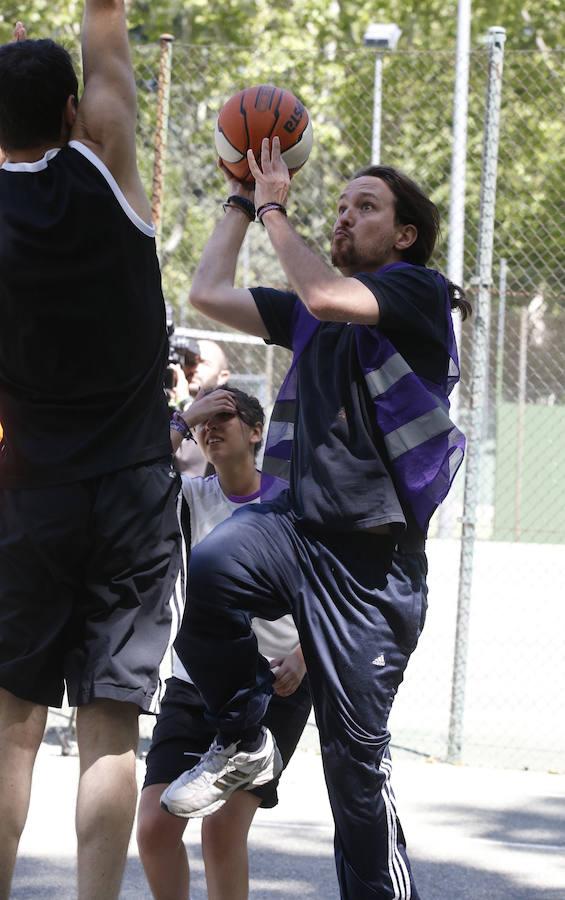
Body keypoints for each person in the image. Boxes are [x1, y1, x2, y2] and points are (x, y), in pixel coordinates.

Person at [160, 139, 471, 899]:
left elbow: (332, 296)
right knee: (216, 568)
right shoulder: (311, 309)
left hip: (372, 568)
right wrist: (239, 199)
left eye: (364, 207)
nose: (343, 216)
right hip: (295, 532)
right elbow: (207, 290)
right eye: (337, 205)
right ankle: (243, 738)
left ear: (401, 235)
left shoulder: (413, 295)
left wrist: (274, 208)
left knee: (355, 777)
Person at [0, 7, 180, 899]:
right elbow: (106, 21)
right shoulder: (107, 164)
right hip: (136, 491)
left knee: (10, 727)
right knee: (111, 729)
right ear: (73, 112)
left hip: (33, 492)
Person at [137, 385, 311, 900]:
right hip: (197, 684)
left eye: (226, 416)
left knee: (222, 830)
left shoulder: (291, 502)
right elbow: (141, 468)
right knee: (153, 828)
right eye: (204, 422)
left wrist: (304, 658)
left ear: (257, 432)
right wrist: (187, 415)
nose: (211, 427)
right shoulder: (192, 496)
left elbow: (328, 593)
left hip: (279, 680)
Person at [172, 338, 231, 477]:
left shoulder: (229, 406)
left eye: (204, 362)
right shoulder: (167, 400)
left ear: (223, 376)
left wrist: (184, 402)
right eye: (191, 361)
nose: (195, 368)